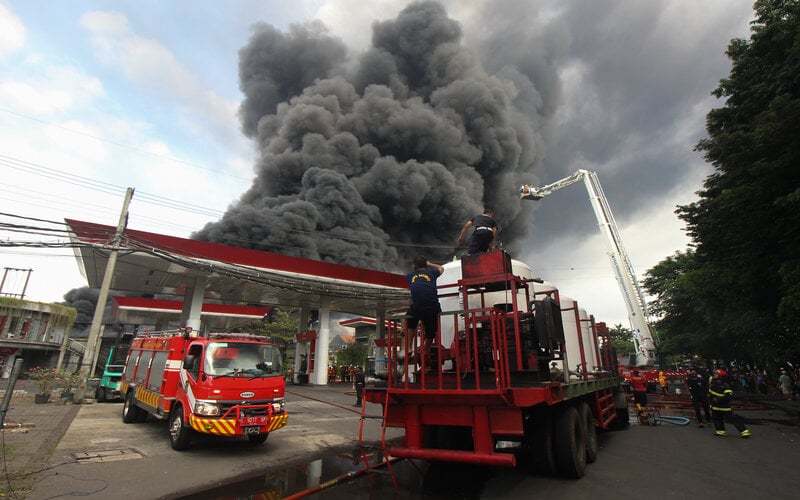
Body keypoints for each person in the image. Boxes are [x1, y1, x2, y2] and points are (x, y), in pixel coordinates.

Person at [406, 256, 445, 361]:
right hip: (432, 306)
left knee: (410, 321)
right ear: (425, 265)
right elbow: (441, 268)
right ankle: (426, 350)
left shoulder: (409, 276)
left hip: (418, 307)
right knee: (431, 331)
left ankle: (409, 347)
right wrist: (430, 264)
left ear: (414, 266)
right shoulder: (432, 273)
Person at [708, 369, 750, 437]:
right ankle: (721, 431)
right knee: (717, 419)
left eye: (716, 374)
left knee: (732, 419)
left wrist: (718, 399)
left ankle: (744, 431)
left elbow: (729, 396)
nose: (714, 375)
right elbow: (711, 392)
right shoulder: (713, 383)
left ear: (720, 376)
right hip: (715, 406)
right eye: (714, 374)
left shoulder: (725, 385)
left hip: (724, 407)